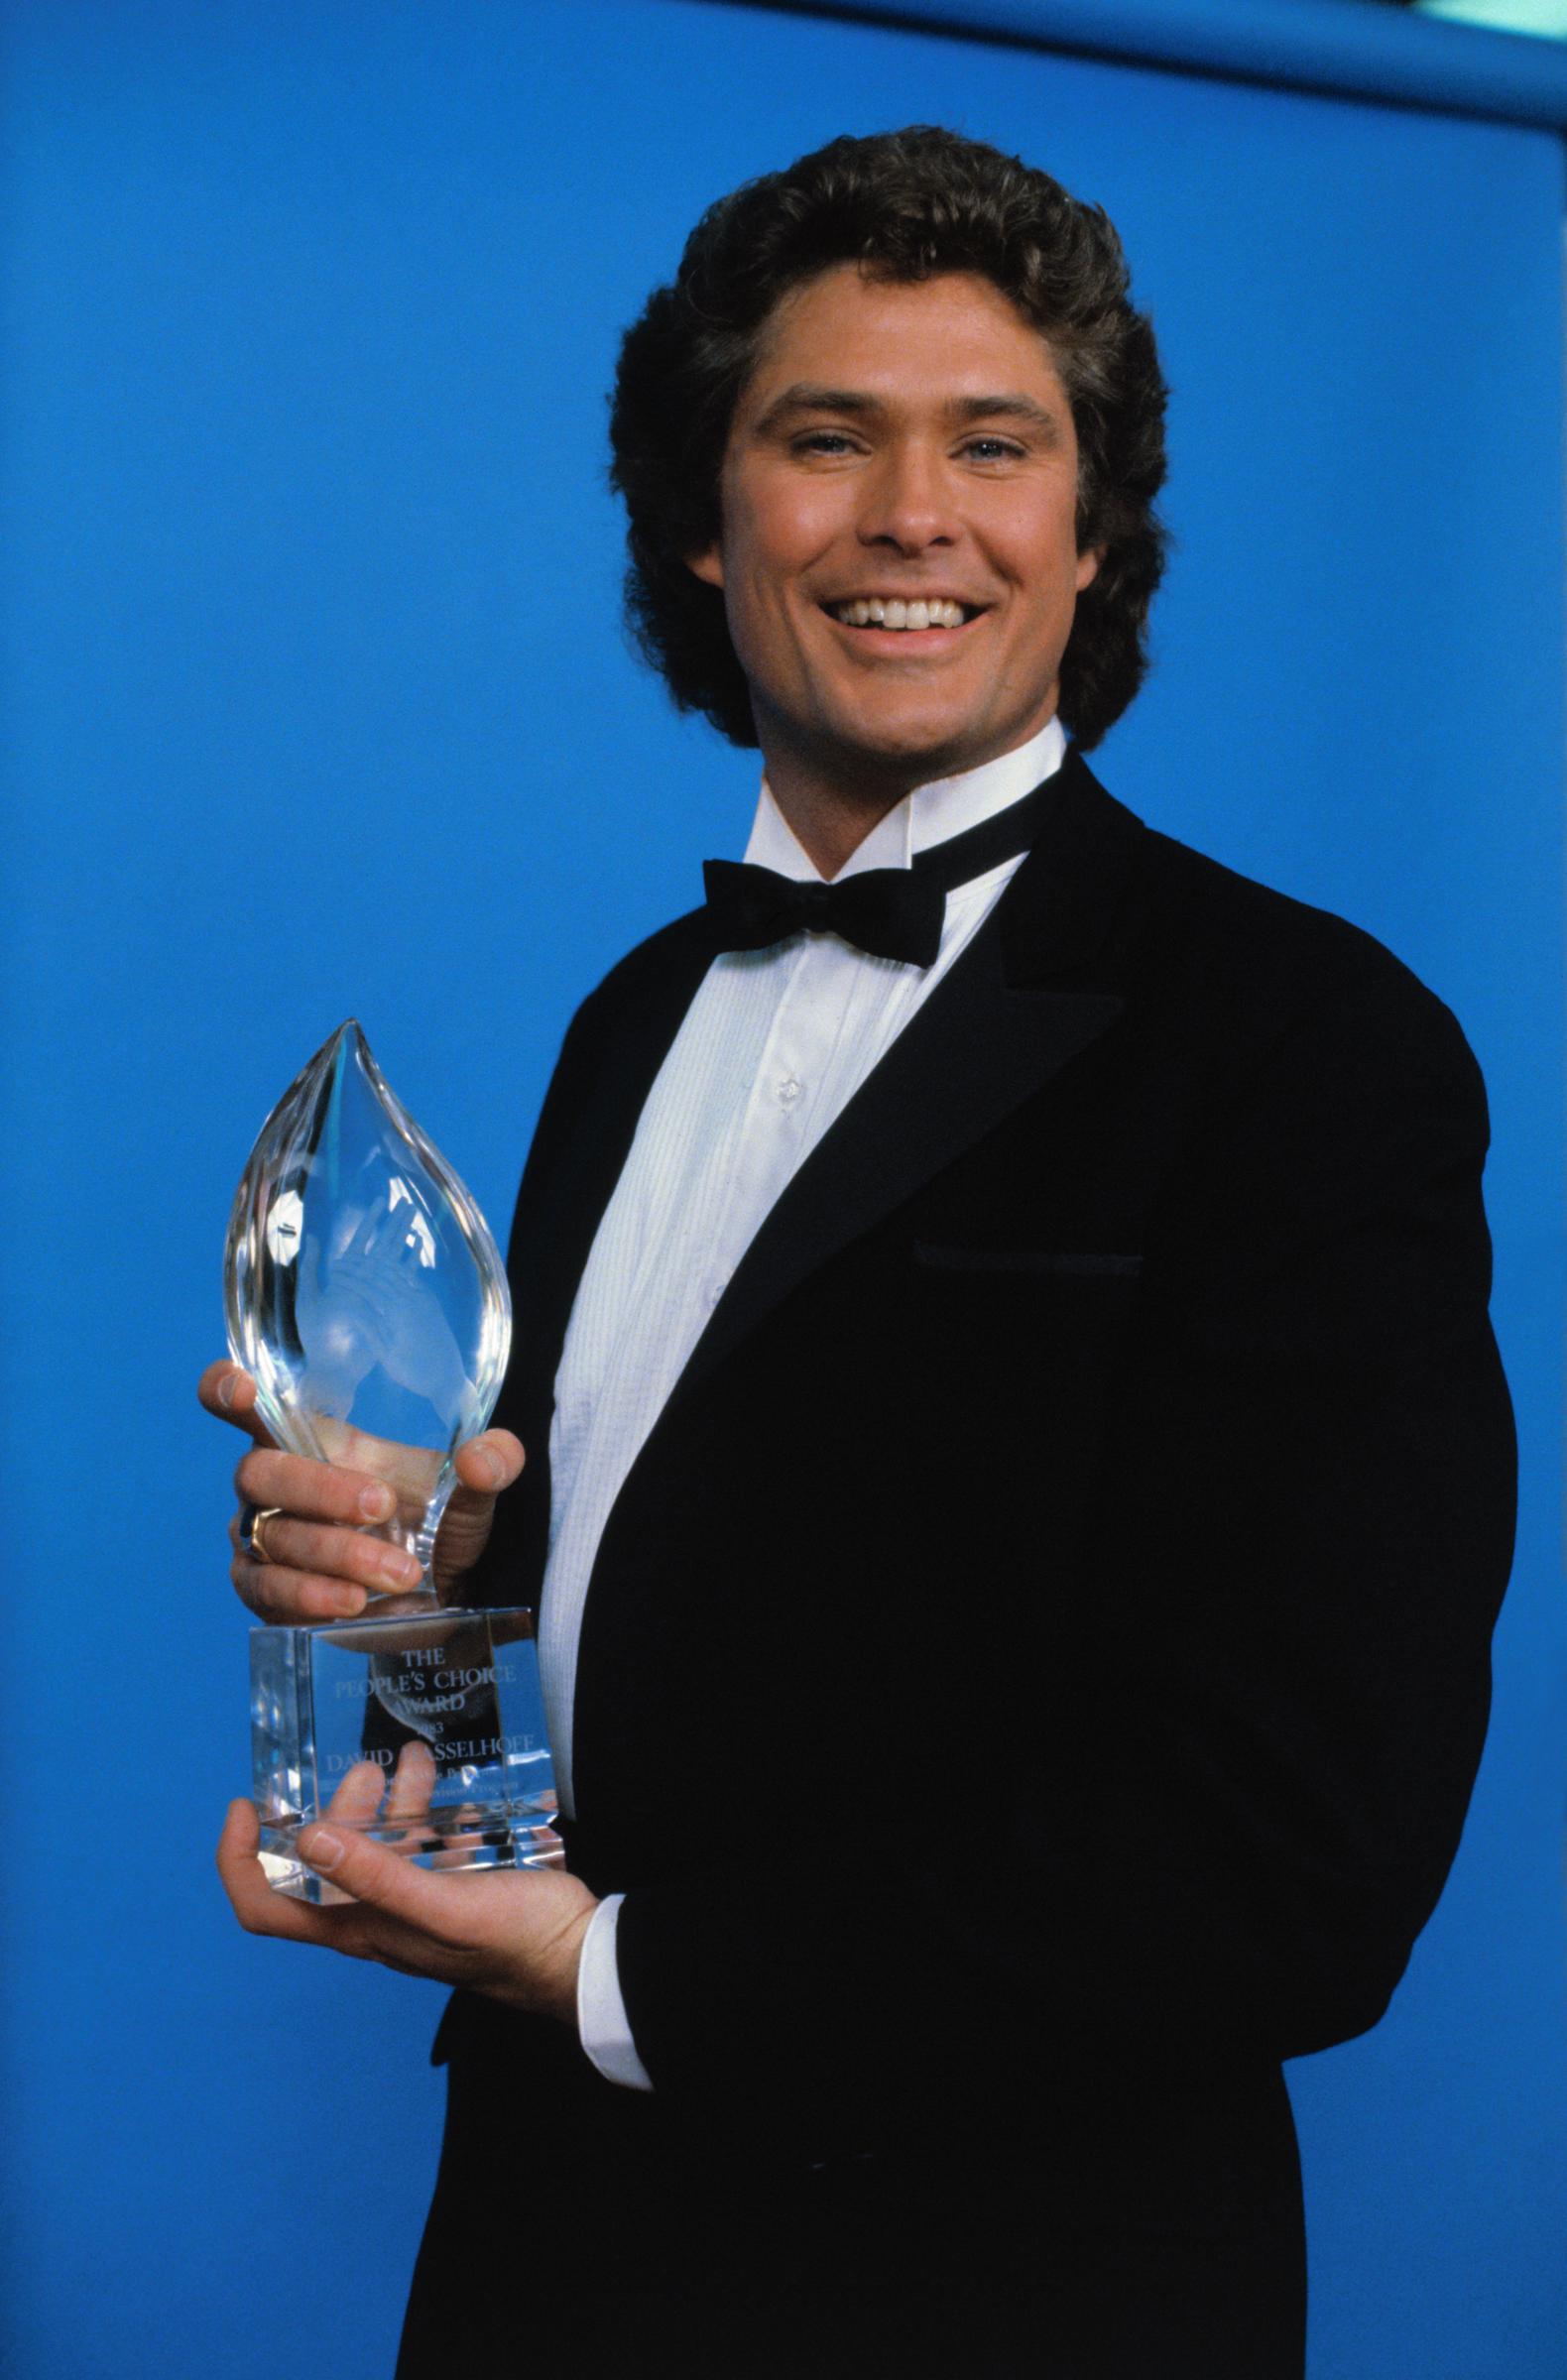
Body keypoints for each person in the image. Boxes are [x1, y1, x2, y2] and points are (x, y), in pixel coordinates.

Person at [206, 127, 1516, 2378]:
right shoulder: (632, 1018)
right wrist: (413, 1588)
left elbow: (1296, 1860)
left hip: (1019, 2292)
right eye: (827, 439)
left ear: (1090, 537)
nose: (915, 515)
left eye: (994, 446)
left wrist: (609, 1974)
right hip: (540, 2258)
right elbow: (656, 1623)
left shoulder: (1306, 1041)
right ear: (702, 529)